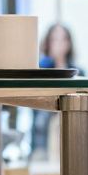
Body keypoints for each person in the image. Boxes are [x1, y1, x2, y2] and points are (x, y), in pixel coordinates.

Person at [30, 22, 77, 159]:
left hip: (71, 136)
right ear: (48, 43)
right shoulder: (39, 70)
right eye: (54, 39)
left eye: (63, 39)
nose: (59, 44)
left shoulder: (78, 71)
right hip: (42, 140)